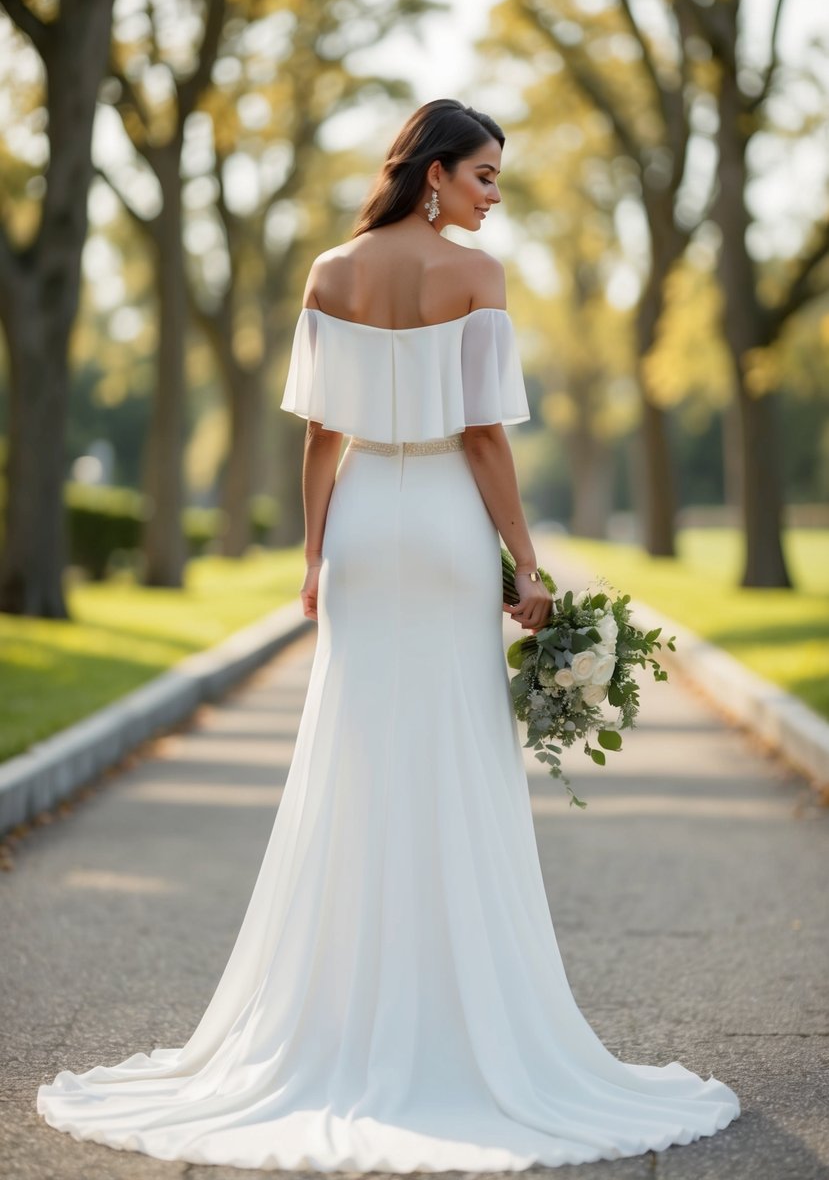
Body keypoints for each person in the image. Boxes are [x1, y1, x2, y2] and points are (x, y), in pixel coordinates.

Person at [37, 98, 740, 1171]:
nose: (493, 196)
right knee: (454, 747)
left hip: (366, 520)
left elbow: (320, 437)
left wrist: (316, 556)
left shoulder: (329, 272)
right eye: (486, 177)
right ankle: (457, 1015)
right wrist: (527, 561)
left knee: (354, 752)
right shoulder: (475, 280)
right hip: (448, 523)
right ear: (434, 176)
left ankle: (335, 1012)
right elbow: (484, 437)